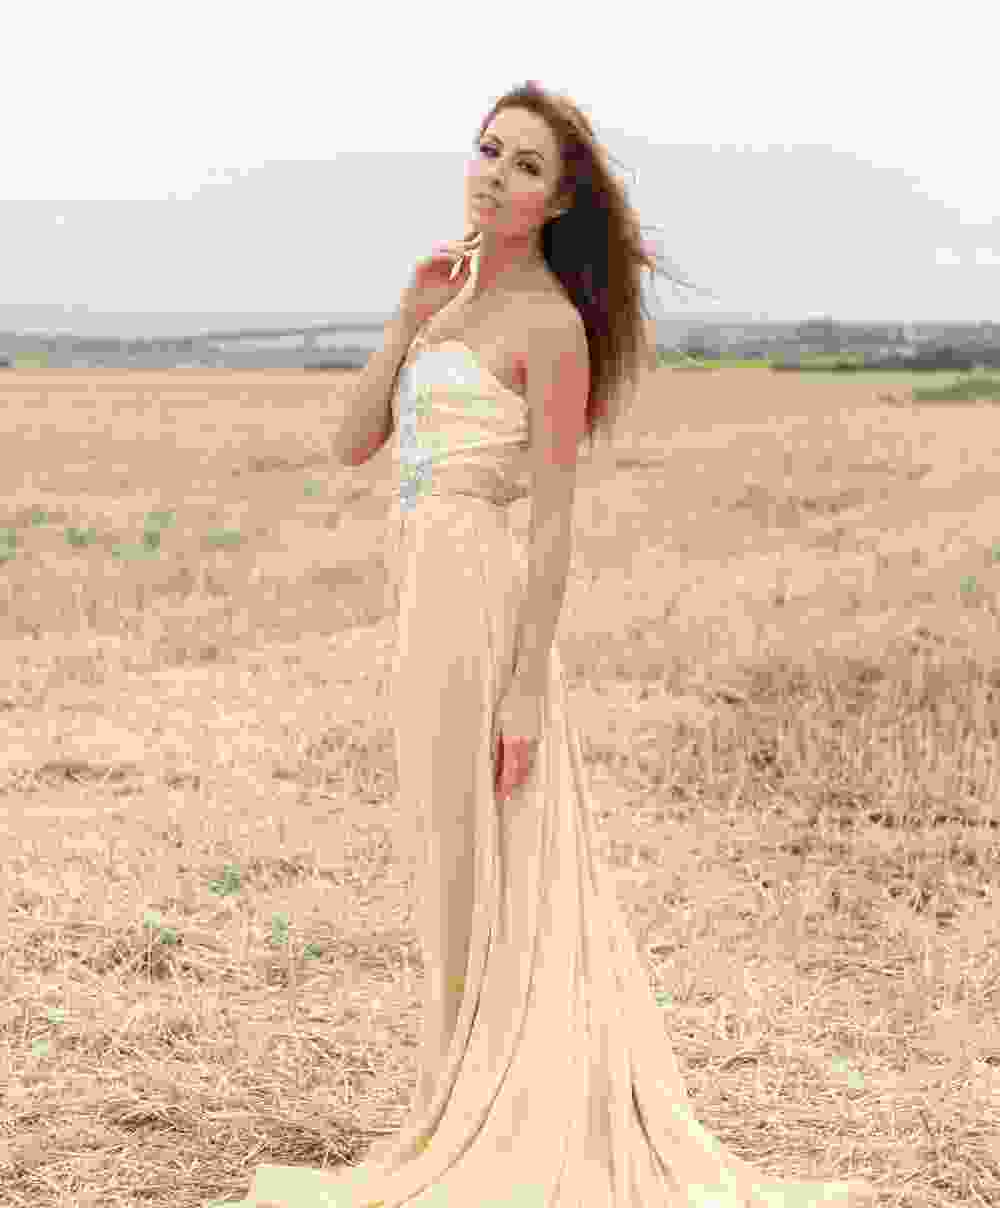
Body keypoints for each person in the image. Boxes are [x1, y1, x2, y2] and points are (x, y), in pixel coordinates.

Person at [208, 81, 876, 1207]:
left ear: (558, 201)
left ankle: (503, 1106)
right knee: (444, 853)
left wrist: (524, 689)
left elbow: (555, 523)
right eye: (488, 150)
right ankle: (448, 1097)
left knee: (492, 851)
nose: (494, 175)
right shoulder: (446, 302)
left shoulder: (552, 330)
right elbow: (351, 441)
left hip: (481, 596)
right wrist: (406, 317)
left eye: (525, 165)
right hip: (419, 593)